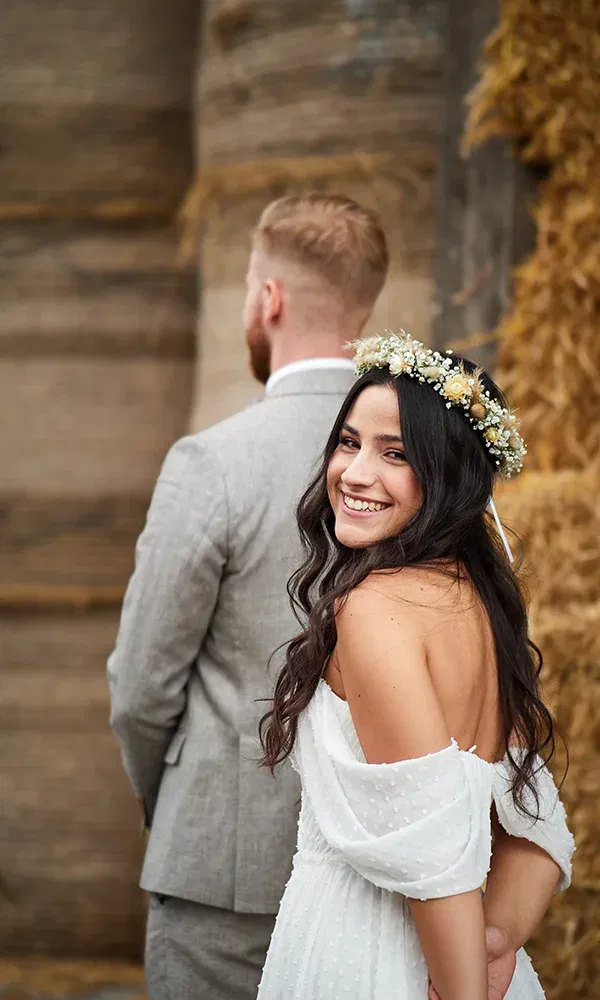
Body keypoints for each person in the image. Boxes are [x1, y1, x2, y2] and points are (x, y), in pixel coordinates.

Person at [107, 193, 390, 1000]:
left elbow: (140, 689)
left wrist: (182, 799)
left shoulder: (212, 463)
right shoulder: (426, 467)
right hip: (376, 876)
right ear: (364, 303)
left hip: (224, 880)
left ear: (270, 301)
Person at [258, 332, 575, 1000]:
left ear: (449, 477)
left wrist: (460, 986)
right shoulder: (481, 603)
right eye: (348, 442)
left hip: (368, 954)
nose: (355, 472)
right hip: (478, 959)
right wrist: (496, 944)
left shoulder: (371, 609)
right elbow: (538, 827)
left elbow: (434, 854)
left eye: (395, 454)